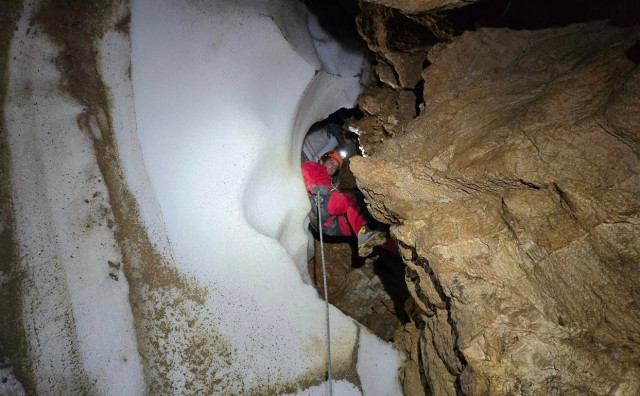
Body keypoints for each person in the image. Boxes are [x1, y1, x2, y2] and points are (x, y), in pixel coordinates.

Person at [302, 150, 387, 257]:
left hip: (328, 226)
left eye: (336, 167)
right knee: (350, 199)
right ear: (323, 159)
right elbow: (303, 173)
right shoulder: (314, 166)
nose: (333, 167)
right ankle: (363, 233)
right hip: (317, 203)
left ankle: (380, 240)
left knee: (363, 220)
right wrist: (313, 188)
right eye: (332, 162)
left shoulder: (330, 182)